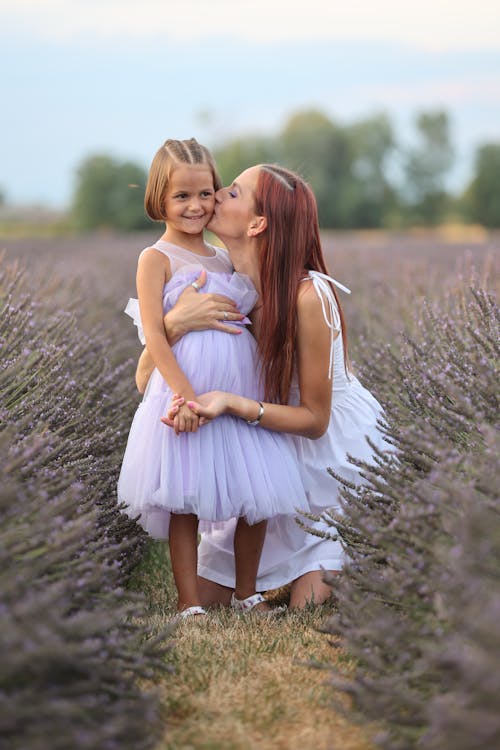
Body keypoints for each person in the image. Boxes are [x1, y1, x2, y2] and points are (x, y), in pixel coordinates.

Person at [160, 164, 389, 609]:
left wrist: (232, 403)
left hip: (330, 460)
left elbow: (316, 421)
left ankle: (324, 558)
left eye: (232, 192)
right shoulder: (222, 280)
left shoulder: (309, 295)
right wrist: (172, 324)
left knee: (310, 604)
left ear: (257, 223)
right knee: (209, 600)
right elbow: (143, 376)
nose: (214, 195)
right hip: (271, 453)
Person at [117, 141, 309, 618]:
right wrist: (184, 396)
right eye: (182, 196)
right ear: (159, 197)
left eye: (206, 193)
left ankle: (247, 594)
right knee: (184, 497)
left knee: (253, 492)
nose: (196, 206)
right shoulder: (154, 258)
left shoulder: (224, 258)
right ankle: (189, 604)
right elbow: (157, 338)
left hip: (237, 390)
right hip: (186, 392)